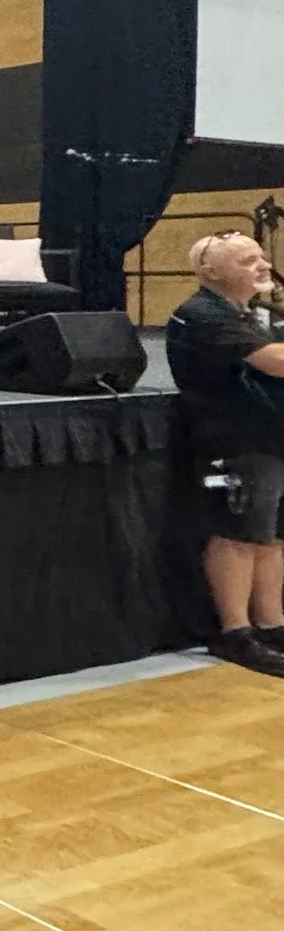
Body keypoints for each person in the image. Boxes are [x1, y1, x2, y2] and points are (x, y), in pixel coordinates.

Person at [166, 232, 284, 676]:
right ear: (211, 272)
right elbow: (275, 361)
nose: (262, 266)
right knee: (236, 534)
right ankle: (234, 632)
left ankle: (272, 625)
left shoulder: (252, 312)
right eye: (247, 260)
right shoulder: (203, 315)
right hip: (235, 442)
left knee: (271, 535)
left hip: (271, 438)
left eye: (261, 257)